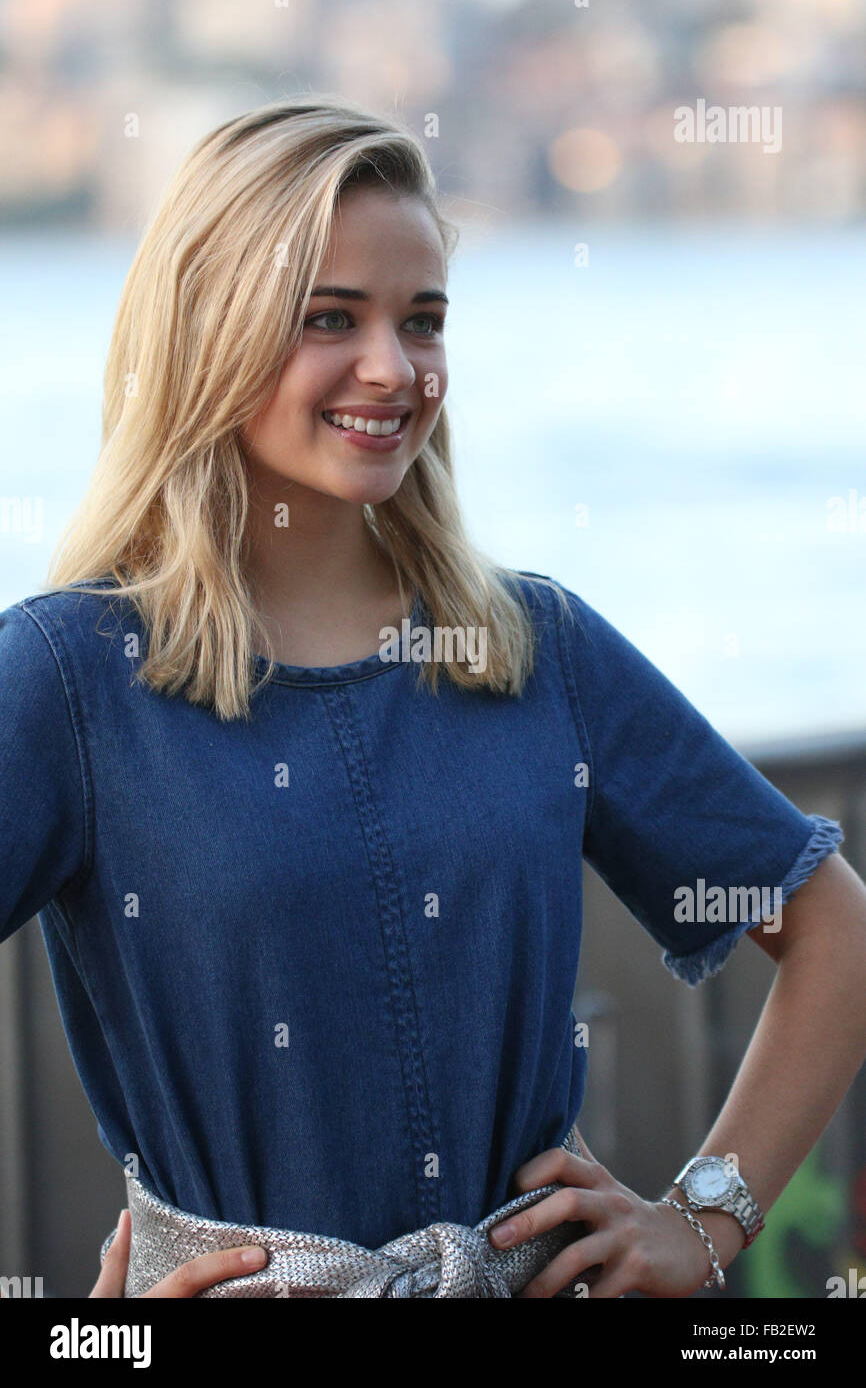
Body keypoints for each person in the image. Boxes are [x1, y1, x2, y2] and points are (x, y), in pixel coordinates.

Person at [2, 93, 866, 1300]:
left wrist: (700, 1220)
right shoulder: (65, 675)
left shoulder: (534, 646)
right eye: (330, 319)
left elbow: (836, 930)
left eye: (422, 319)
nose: (393, 369)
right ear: (210, 330)